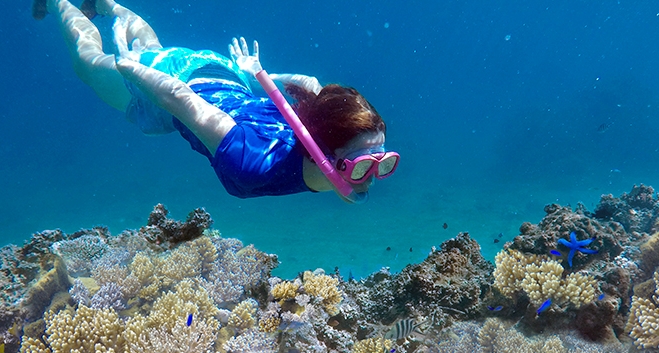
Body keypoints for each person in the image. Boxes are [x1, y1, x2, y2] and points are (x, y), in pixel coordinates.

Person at [32, 0, 399, 203]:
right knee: (89, 62)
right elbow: (180, 98)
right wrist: (131, 68)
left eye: (383, 163)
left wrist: (256, 72)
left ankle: (108, 5)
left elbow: (309, 85)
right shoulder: (250, 161)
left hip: (230, 75)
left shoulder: (312, 119)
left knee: (154, 47)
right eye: (362, 165)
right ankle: (57, 2)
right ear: (322, 153)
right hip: (171, 82)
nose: (373, 179)